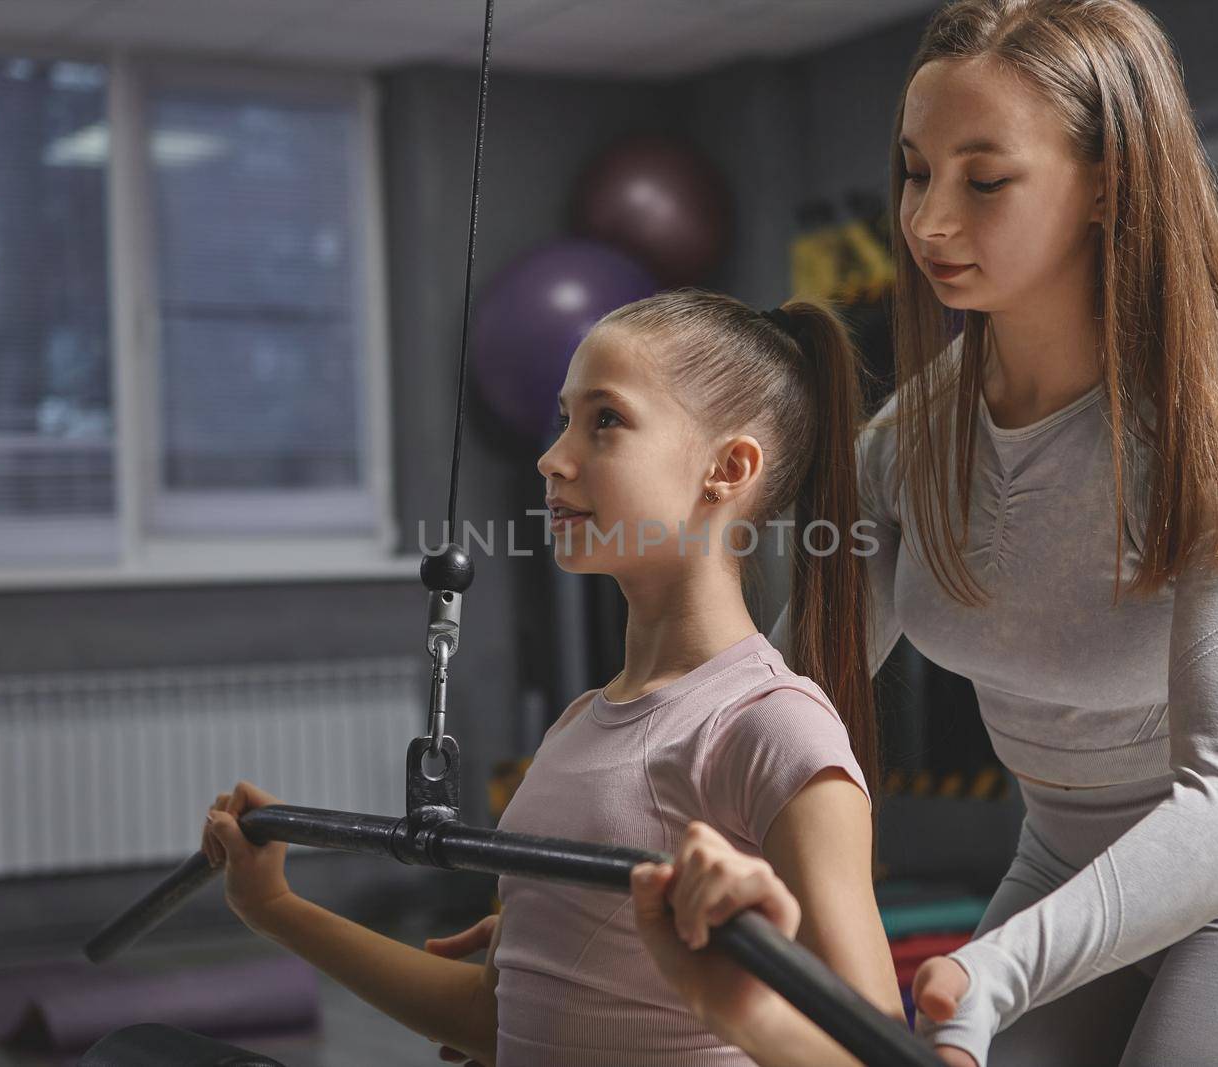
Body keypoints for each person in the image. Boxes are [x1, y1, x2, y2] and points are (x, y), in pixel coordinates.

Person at [634, 1, 1218, 1064]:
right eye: (915, 173)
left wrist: (997, 966)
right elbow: (781, 703)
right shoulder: (907, 442)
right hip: (1061, 867)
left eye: (984, 179)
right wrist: (598, 891)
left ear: (1108, 183)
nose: (929, 222)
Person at [201, 290, 904, 1065]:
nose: (552, 455)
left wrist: (735, 1008)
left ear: (727, 467)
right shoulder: (579, 724)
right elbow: (492, 1017)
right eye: (565, 416)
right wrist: (275, 907)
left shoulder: (772, 725)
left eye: (605, 419)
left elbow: (876, 1051)